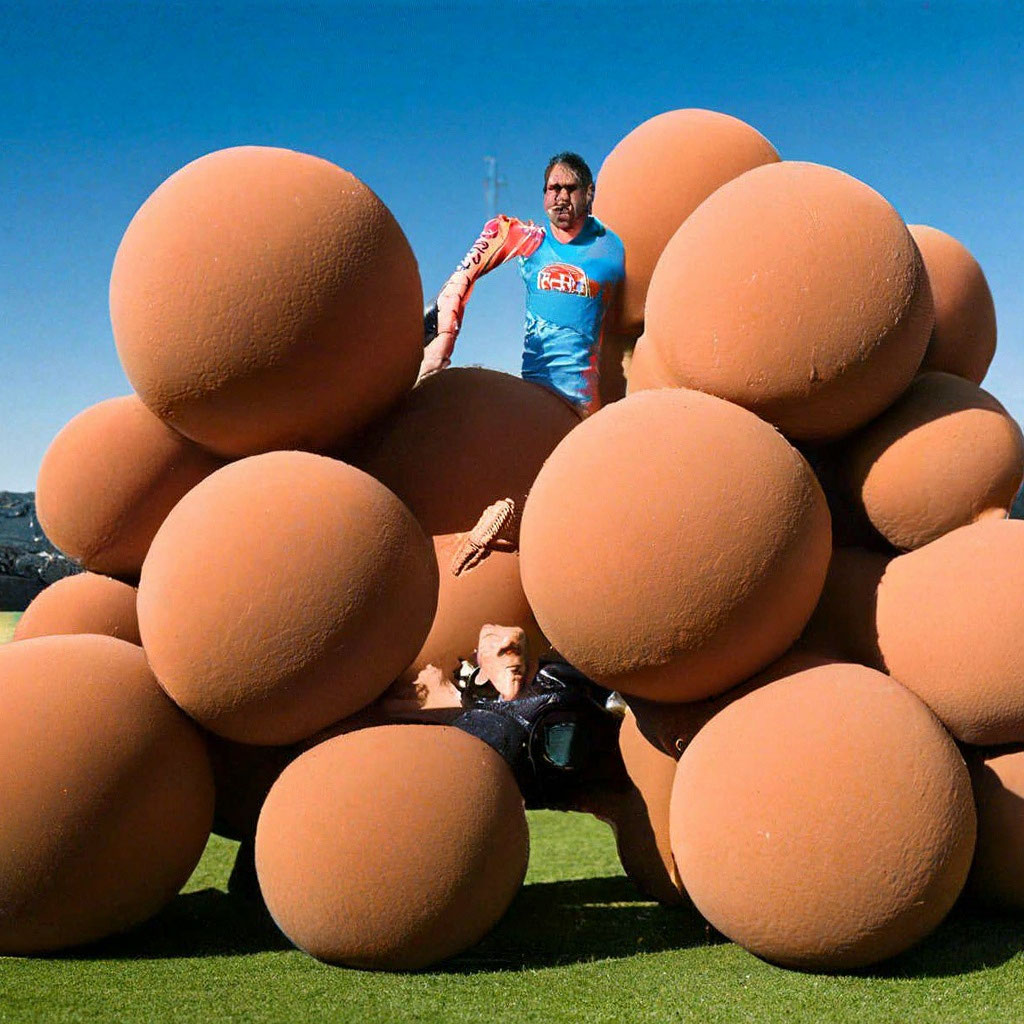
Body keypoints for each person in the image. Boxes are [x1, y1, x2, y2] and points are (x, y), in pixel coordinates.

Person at [419, 152, 626, 414]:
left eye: (570, 188)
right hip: (537, 399)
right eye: (554, 188)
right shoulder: (530, 240)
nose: (562, 197)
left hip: (587, 409)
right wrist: (445, 329)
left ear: (588, 193)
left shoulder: (612, 248)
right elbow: (466, 272)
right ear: (544, 194)